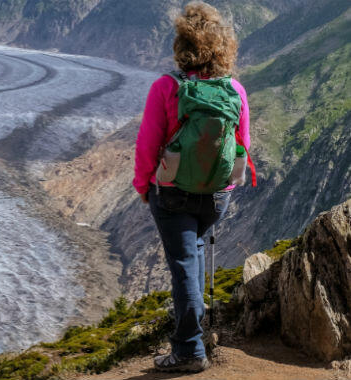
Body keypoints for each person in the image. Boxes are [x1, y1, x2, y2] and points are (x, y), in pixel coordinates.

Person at [132, 1, 251, 373]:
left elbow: (148, 145)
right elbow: (242, 145)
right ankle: (195, 335)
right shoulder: (235, 90)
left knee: (183, 264)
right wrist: (225, 191)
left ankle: (188, 349)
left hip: (172, 194)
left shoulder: (166, 87)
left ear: (183, 46)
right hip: (216, 197)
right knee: (193, 251)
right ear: (223, 47)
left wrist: (143, 187)